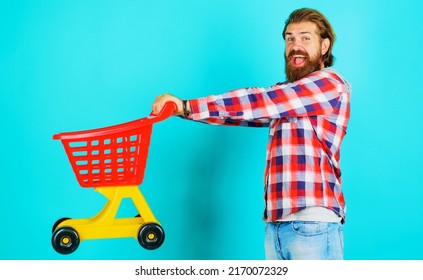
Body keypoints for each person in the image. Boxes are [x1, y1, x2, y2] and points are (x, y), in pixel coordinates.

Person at [151, 8, 351, 260]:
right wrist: (182, 110)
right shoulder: (287, 96)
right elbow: (244, 113)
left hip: (312, 222)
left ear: (324, 46)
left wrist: (188, 105)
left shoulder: (329, 84)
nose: (295, 46)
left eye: (305, 38)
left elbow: (259, 101)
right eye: (290, 38)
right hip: (277, 224)